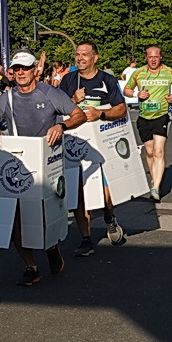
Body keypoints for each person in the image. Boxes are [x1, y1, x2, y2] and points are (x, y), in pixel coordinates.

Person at [0, 50, 70, 286]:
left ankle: (51, 246)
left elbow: (78, 115)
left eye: (25, 68)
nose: (21, 72)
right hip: (16, 162)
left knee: (41, 216)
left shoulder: (50, 93)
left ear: (36, 70)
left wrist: (62, 126)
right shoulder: (7, 98)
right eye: (17, 68)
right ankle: (30, 266)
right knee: (15, 218)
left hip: (44, 161)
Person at [60, 41, 129, 256]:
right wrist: (73, 100)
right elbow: (57, 108)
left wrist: (100, 114)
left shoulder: (107, 80)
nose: (80, 58)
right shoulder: (68, 80)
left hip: (101, 145)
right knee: (78, 193)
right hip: (74, 143)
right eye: (77, 54)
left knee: (106, 194)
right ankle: (86, 239)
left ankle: (109, 217)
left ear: (95, 58)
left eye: (85, 54)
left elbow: (121, 109)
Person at [127, 46, 172, 202]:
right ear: (146, 57)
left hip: (162, 115)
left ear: (160, 57)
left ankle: (156, 188)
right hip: (144, 117)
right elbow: (126, 90)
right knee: (150, 152)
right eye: (150, 57)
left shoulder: (169, 71)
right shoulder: (138, 73)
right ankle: (154, 179)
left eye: (156, 57)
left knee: (159, 152)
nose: (153, 59)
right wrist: (137, 94)